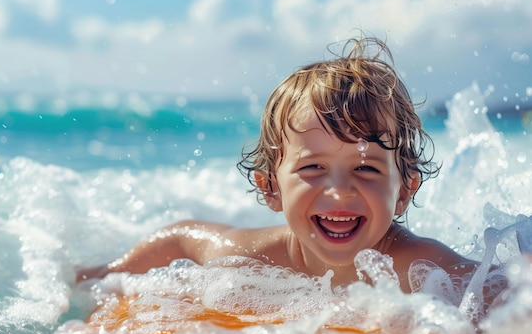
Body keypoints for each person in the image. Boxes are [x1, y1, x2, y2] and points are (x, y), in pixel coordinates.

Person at [77, 36, 472, 293]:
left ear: (403, 191)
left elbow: (500, 291)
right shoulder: (252, 258)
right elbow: (179, 239)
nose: (339, 190)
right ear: (270, 188)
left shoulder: (421, 270)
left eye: (366, 168)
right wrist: (99, 276)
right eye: (312, 168)